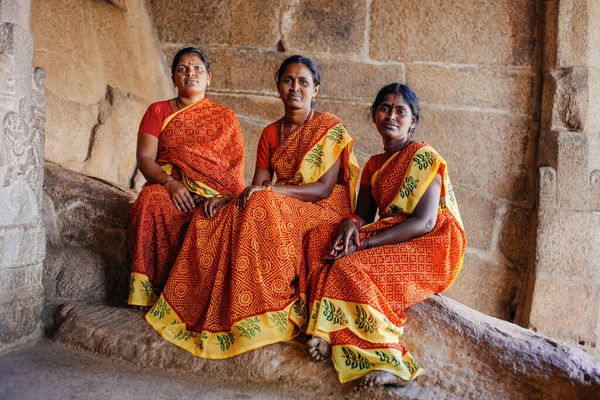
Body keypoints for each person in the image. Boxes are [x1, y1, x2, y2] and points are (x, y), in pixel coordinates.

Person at [145, 55, 360, 358]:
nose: (295, 87)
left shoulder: (329, 126)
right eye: (288, 80)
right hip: (280, 200)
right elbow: (256, 186)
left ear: (316, 89)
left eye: (303, 82)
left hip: (323, 205)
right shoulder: (271, 133)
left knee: (261, 202)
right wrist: (227, 200)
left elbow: (323, 188)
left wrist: (268, 191)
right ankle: (207, 306)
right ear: (278, 87)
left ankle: (267, 305)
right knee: (212, 217)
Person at [304, 83, 466, 390]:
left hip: (433, 243)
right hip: (391, 233)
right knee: (320, 242)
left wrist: (364, 244)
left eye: (400, 111)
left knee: (350, 266)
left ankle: (393, 364)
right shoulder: (374, 165)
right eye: (384, 109)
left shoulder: (424, 156)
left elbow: (425, 221)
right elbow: (364, 214)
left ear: (413, 121)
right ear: (375, 115)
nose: (391, 115)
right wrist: (351, 225)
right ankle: (328, 330)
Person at [128, 47, 245, 308]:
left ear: (209, 78)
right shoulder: (158, 111)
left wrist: (223, 197)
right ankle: (149, 292)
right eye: (182, 69)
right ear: (173, 80)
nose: (190, 73)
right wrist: (170, 184)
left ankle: (199, 300)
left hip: (214, 194)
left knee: (232, 218)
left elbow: (235, 169)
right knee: (150, 200)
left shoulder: (226, 118)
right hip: (171, 186)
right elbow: (145, 158)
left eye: (197, 68)